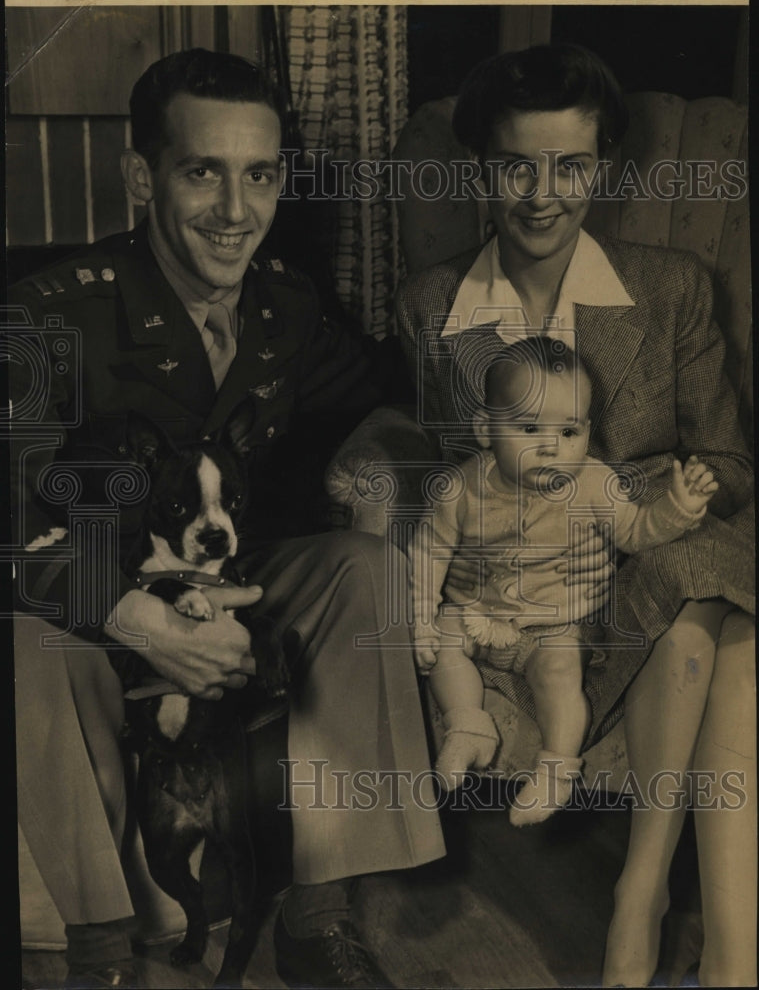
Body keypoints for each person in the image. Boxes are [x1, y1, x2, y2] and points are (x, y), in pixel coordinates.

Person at [11, 48, 451, 989]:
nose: (234, 209)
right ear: (143, 176)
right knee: (25, 641)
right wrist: (134, 616)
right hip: (92, 609)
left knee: (357, 570)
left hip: (225, 580)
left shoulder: (283, 307)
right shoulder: (48, 316)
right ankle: (100, 953)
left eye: (258, 175)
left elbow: (380, 389)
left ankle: (316, 918)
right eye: (202, 170)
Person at [396, 43, 755, 988]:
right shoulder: (434, 305)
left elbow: (727, 460)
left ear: (603, 166)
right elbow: (448, 473)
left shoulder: (670, 286)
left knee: (701, 586)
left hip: (657, 547)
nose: (542, 193)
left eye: (571, 165)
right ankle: (710, 943)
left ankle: (643, 897)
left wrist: (646, 501)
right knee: (731, 643)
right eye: (517, 164)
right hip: (527, 594)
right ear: (481, 167)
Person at [412, 336, 718, 826]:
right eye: (530, 427)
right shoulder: (461, 488)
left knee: (560, 679)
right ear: (486, 429)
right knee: (443, 650)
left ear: (587, 431)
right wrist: (422, 619)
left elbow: (637, 531)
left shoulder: (595, 483)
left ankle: (556, 769)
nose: (552, 447)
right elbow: (429, 552)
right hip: (477, 612)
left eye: (569, 431)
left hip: (557, 624)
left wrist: (676, 509)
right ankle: (468, 726)